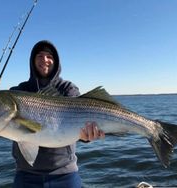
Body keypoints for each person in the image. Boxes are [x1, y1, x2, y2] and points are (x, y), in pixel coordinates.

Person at [10, 40, 105, 188]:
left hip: (65, 174)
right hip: (26, 175)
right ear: (32, 61)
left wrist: (87, 137)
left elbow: (78, 122)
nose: (44, 60)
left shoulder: (67, 88)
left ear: (56, 61)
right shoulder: (18, 91)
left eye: (49, 56)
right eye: (40, 56)